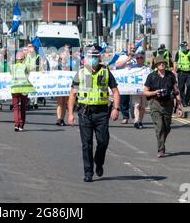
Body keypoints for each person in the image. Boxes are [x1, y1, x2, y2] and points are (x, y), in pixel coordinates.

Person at [68, 45, 121, 183]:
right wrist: (71, 114)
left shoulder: (106, 72)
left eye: (95, 57)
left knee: (103, 141)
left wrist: (116, 108)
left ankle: (99, 161)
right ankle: (88, 172)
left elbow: (115, 91)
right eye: (91, 57)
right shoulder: (80, 73)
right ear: (86, 58)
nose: (93, 60)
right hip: (85, 112)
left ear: (100, 58)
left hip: (102, 112)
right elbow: (73, 94)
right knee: (87, 144)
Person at [143, 56, 184, 158]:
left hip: (168, 104)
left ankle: (161, 142)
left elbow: (176, 91)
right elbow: (145, 92)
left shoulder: (170, 76)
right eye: (160, 63)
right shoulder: (151, 76)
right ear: (156, 65)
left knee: (167, 127)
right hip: (155, 103)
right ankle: (161, 149)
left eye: (164, 63)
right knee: (160, 126)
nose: (162, 64)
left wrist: (179, 106)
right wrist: (155, 92)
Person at [10, 52, 36, 132]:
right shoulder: (26, 66)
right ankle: (21, 125)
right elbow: (30, 72)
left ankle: (16, 124)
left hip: (15, 89)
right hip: (24, 88)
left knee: (16, 107)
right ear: (23, 59)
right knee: (23, 107)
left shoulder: (12, 67)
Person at [115, 44, 137, 124]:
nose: (132, 49)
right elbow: (117, 65)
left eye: (134, 48)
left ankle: (135, 117)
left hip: (134, 83)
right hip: (124, 83)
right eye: (131, 48)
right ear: (127, 49)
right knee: (124, 100)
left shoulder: (137, 57)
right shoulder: (122, 57)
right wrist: (128, 59)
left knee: (134, 101)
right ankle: (125, 117)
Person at [174, 41, 190, 107]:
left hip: (189, 72)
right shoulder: (178, 53)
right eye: (181, 46)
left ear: (186, 46)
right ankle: (183, 102)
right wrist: (174, 71)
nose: (182, 48)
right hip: (181, 72)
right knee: (181, 88)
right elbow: (175, 62)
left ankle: (187, 100)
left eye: (183, 46)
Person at [131, 51, 148, 129]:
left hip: (144, 90)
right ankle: (136, 121)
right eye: (137, 58)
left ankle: (140, 121)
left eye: (141, 57)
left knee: (143, 106)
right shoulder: (132, 68)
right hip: (136, 90)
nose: (139, 59)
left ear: (144, 59)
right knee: (137, 105)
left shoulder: (147, 68)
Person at [56, 48, 71, 126]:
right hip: (59, 86)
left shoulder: (71, 66)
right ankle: (59, 118)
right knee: (60, 102)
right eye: (62, 58)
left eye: (65, 58)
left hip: (67, 86)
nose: (64, 60)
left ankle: (62, 119)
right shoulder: (57, 66)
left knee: (64, 103)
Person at [25, 43, 41, 110]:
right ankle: (30, 103)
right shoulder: (26, 56)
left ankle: (35, 102)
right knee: (29, 89)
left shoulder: (38, 56)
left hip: (36, 74)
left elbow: (39, 65)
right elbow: (26, 65)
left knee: (35, 88)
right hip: (28, 74)